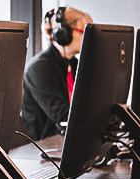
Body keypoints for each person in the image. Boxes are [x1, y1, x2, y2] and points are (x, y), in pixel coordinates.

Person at [21, 6, 93, 140]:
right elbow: (64, 118)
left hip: (68, 141)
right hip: (44, 148)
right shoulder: (39, 69)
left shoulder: (74, 64)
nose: (90, 38)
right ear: (64, 34)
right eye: (85, 31)